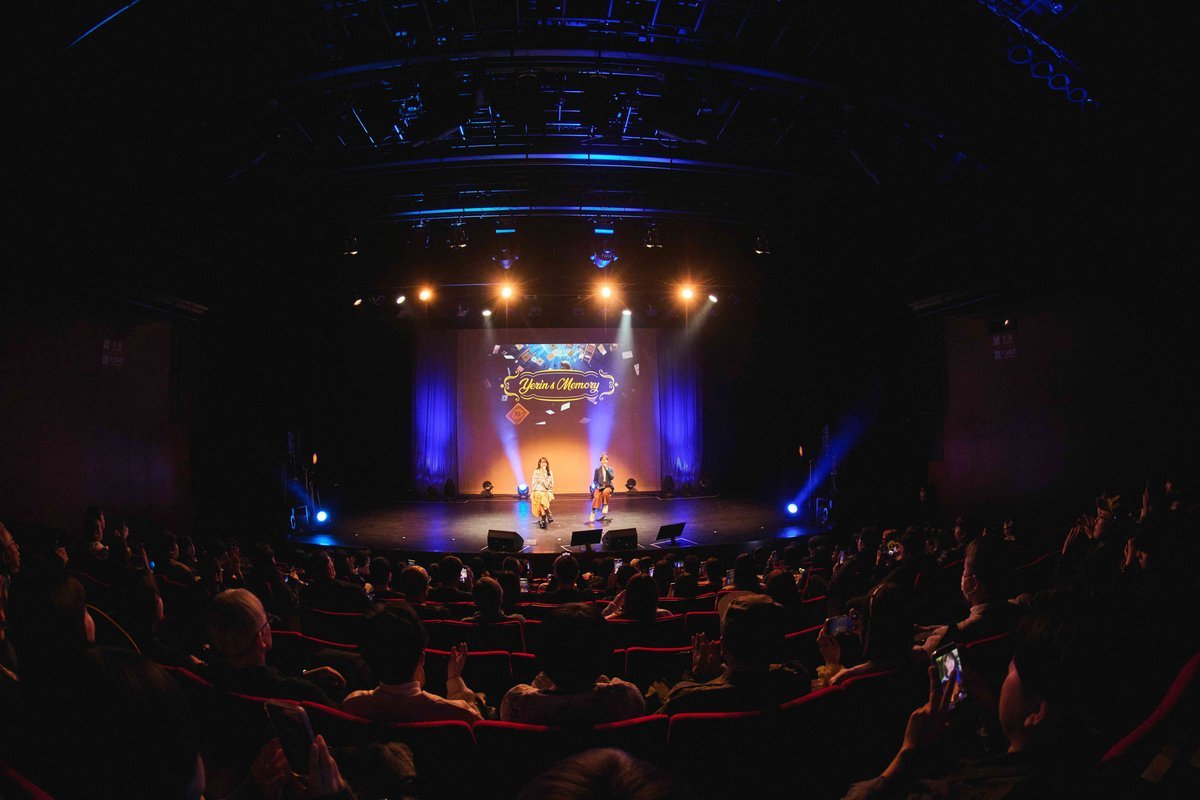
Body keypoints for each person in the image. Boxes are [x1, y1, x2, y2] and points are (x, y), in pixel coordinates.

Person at [658, 594, 810, 714]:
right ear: (779, 643)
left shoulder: (685, 700)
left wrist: (696, 676)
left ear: (723, 646)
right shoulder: (796, 679)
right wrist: (722, 672)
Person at [501, 603, 643, 725]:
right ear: (606, 654)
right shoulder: (626, 699)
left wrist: (543, 679)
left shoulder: (517, 704)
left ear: (541, 655)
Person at [342, 604, 482, 724]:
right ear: (422, 658)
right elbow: (476, 719)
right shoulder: (459, 714)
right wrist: (455, 679)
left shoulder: (352, 705)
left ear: (368, 659)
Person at [202, 588, 340, 705]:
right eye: (267, 621)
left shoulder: (206, 677)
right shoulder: (301, 693)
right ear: (260, 638)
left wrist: (304, 675)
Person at [589, 453, 615, 523]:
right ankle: (593, 512)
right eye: (603, 460)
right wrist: (597, 485)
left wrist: (607, 470)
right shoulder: (597, 470)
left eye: (606, 460)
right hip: (600, 487)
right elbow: (595, 480)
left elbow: (612, 477)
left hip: (608, 486)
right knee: (596, 495)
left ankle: (605, 505)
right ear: (600, 461)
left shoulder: (610, 469)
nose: (604, 461)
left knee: (605, 492)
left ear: (607, 461)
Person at [531, 456, 556, 529]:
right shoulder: (536, 472)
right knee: (540, 495)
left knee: (542, 500)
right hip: (537, 490)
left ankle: (543, 520)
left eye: (545, 462)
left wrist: (546, 476)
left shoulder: (549, 472)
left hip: (546, 491)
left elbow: (550, 485)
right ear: (539, 463)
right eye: (542, 462)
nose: (543, 464)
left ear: (547, 464)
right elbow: (536, 483)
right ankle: (548, 513)